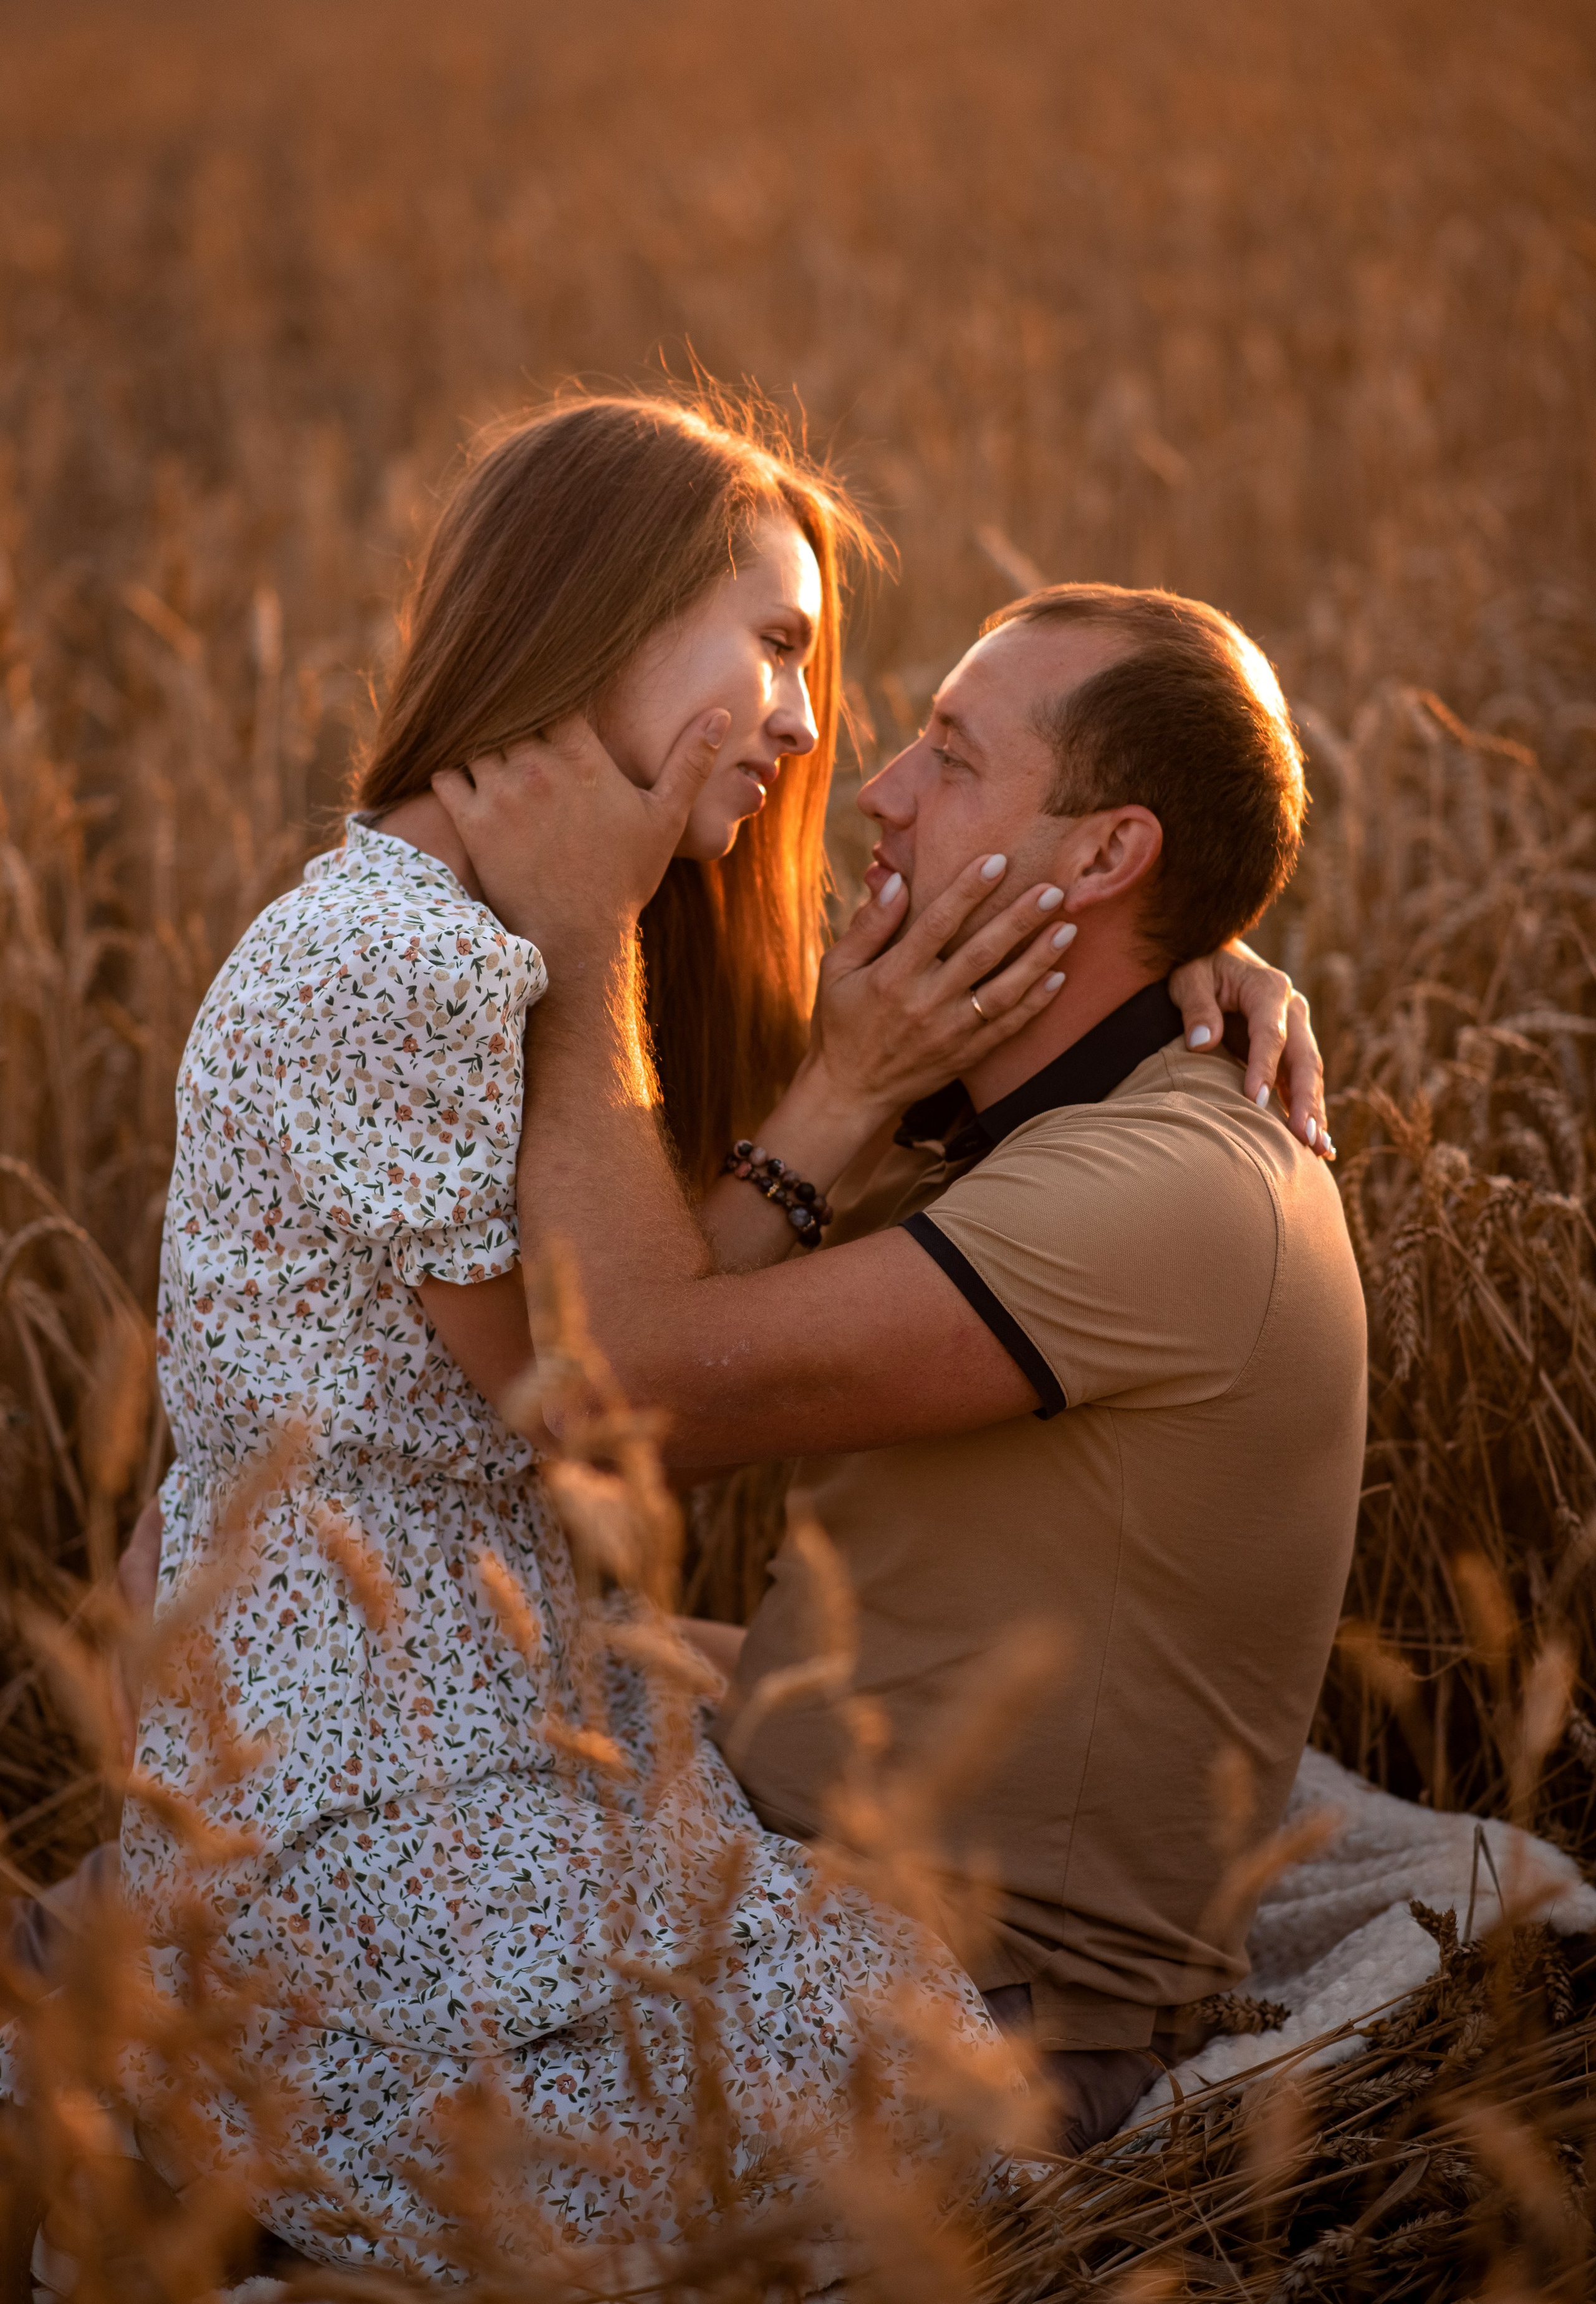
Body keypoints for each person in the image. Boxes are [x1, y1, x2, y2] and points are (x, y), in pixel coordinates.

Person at [99, 393, 1326, 2277]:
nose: (819, 725)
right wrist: (620, 964)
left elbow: (624, 1331)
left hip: (446, 1697)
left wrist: (1185, 938)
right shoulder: (415, 956)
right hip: (369, 1743)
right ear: (601, 616)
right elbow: (603, 1390)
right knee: (812, 2125)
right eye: (774, 642)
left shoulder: (485, 937)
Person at [431, 577, 1370, 2159]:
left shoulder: (1163, 1188)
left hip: (969, 2015)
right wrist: (1185, 951)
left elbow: (613, 1398)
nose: (876, 787)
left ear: (1101, 855)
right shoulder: (1092, 1105)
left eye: (948, 750)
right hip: (809, 1884)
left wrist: (579, 937)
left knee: (207, 1994)